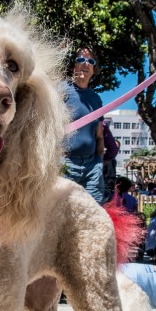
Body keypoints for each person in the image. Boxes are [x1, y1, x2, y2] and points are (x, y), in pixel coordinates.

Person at [63, 47, 105, 203]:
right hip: (65, 163)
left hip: (91, 166)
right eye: (81, 60)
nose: (85, 64)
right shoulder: (61, 91)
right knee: (63, 212)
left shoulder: (95, 99)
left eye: (90, 61)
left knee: (95, 210)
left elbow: (99, 135)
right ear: (73, 66)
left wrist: (99, 162)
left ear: (93, 70)